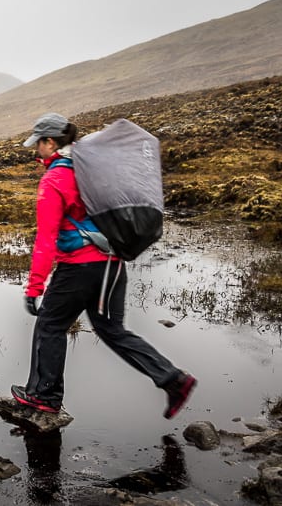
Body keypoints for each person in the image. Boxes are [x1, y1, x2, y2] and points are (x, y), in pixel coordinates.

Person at [12, 112, 196, 419]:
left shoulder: (55, 179)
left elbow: (46, 238)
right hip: (111, 266)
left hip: (78, 269)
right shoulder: (90, 171)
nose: (36, 150)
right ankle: (174, 380)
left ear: (49, 142)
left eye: (38, 144)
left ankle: (44, 397)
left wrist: (34, 287)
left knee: (50, 325)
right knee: (113, 330)